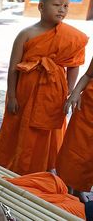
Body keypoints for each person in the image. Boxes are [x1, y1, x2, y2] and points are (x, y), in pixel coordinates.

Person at [0, 0, 88, 175]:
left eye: (66, 6)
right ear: (41, 6)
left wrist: (68, 91)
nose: (62, 9)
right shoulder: (26, 34)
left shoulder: (71, 37)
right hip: (25, 91)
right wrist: (11, 96)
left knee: (46, 131)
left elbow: (74, 65)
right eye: (56, 5)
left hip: (53, 92)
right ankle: (18, 162)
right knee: (21, 125)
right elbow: (13, 69)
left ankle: (44, 165)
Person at [56, 56, 93, 195]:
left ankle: (79, 189)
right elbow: (88, 75)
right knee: (74, 150)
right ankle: (65, 187)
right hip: (87, 109)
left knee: (89, 158)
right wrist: (76, 92)